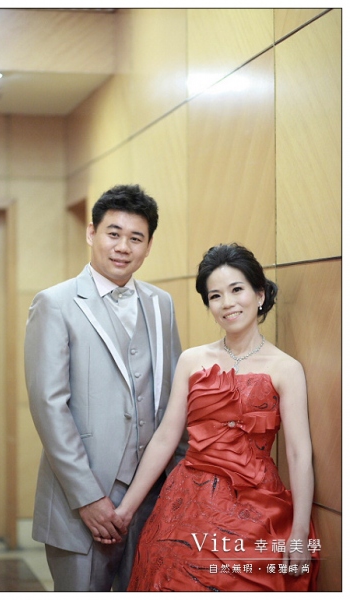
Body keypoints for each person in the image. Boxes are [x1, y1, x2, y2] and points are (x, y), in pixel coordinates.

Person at [108, 242, 319, 592]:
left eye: (237, 290)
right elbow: (166, 437)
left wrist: (298, 532)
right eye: (215, 296)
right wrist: (126, 510)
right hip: (186, 506)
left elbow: (299, 454)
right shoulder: (192, 360)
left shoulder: (286, 368)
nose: (227, 303)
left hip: (256, 507)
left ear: (260, 294)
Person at [24, 184, 183, 592]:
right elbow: (49, 407)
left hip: (150, 499)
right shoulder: (54, 303)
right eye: (114, 233)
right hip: (80, 503)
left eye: (136, 238)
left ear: (149, 246)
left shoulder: (161, 304)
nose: (123, 247)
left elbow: (173, 402)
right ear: (91, 233)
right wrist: (88, 499)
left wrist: (178, 487)